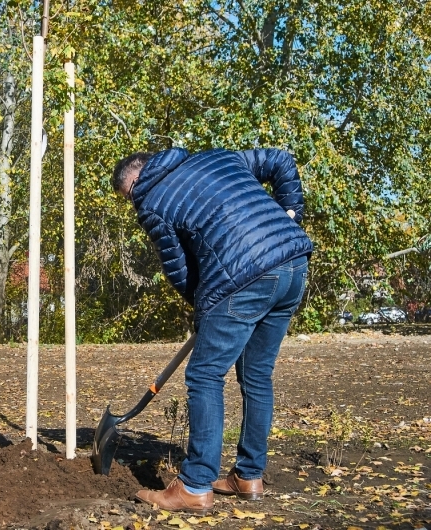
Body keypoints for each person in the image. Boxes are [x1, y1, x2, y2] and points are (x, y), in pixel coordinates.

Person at [112, 147, 312, 514]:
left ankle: (195, 485)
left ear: (134, 181)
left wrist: (204, 308)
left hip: (245, 279)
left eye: (128, 197)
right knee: (256, 374)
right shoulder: (219, 157)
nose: (133, 204)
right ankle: (248, 476)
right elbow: (282, 161)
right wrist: (290, 215)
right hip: (293, 264)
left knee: (204, 375)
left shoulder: (151, 200)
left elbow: (181, 271)